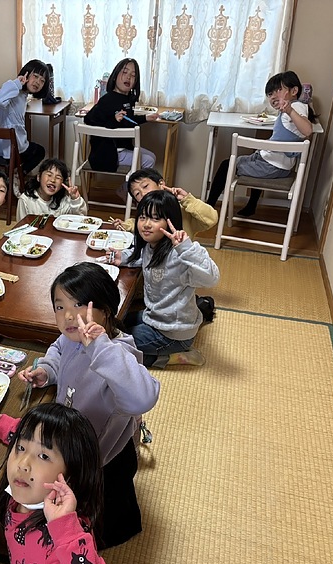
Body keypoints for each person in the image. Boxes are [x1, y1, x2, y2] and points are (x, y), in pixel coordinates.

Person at [0, 262, 159, 548]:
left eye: (79, 305)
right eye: (60, 306)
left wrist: (98, 346)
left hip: (101, 458)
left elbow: (143, 397)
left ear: (106, 310)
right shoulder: (70, 337)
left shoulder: (117, 353)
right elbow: (59, 350)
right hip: (68, 443)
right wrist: (48, 370)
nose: (69, 315)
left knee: (103, 520)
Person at [0, 403, 120, 564]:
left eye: (43, 456)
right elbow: (28, 437)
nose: (23, 464)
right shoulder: (29, 492)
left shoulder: (64, 537)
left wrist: (67, 532)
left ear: (71, 476)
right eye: (20, 448)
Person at [108, 190, 219, 368]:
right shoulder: (151, 245)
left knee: (114, 345)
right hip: (154, 317)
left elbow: (211, 278)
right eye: (143, 217)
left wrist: (187, 249)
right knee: (115, 322)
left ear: (170, 221)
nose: (146, 224)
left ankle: (176, 357)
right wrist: (123, 257)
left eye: (155, 218)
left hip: (172, 333)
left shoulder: (179, 254)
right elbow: (143, 257)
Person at [114, 168, 218, 323]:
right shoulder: (148, 231)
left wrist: (187, 199)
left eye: (145, 186)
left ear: (161, 184)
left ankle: (196, 311)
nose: (143, 193)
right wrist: (127, 226)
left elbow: (211, 219)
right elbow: (142, 231)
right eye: (137, 194)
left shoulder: (182, 210)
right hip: (159, 276)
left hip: (179, 271)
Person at [206, 70, 316, 216]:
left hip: (273, 167)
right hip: (274, 162)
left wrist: (289, 110)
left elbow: (308, 130)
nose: (273, 96)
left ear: (294, 91)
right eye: (270, 94)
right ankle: (251, 206)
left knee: (226, 165)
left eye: (278, 90)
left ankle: (208, 207)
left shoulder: (295, 107)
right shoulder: (296, 107)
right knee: (256, 157)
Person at [83, 58, 159, 172]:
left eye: (133, 75)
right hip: (109, 153)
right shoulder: (107, 99)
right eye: (125, 72)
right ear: (115, 76)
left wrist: (145, 118)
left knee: (152, 156)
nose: (128, 77)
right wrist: (113, 120)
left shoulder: (127, 100)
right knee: (149, 160)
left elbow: (127, 120)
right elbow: (89, 119)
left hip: (123, 148)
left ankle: (133, 182)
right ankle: (133, 183)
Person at [0, 60, 50, 176]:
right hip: (6, 147)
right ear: (26, 74)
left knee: (35, 149)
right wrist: (16, 83)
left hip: (5, 144)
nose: (38, 82)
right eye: (35, 76)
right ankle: (17, 177)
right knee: (39, 152)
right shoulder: (14, 91)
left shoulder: (21, 94)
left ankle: (15, 176)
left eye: (42, 81)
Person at [16, 158, 87, 222]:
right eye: (49, 175)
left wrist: (75, 199)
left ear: (62, 184)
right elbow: (21, 226)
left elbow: (81, 219)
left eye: (58, 177)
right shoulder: (26, 200)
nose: (53, 180)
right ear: (38, 177)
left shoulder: (64, 202)